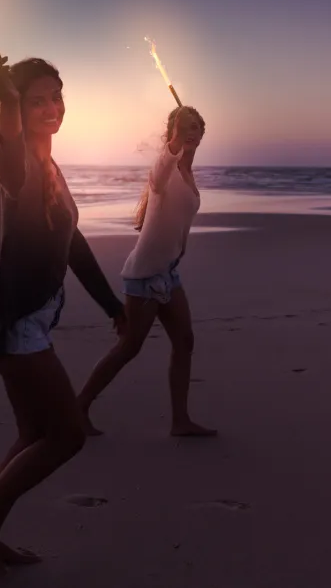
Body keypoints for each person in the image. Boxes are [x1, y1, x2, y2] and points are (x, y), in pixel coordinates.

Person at [0, 51, 127, 571]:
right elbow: (6, 148)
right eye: (37, 101)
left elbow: (72, 245)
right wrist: (6, 102)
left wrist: (111, 304)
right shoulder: (22, 163)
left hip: (14, 320)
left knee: (34, 434)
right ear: (18, 109)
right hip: (13, 324)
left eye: (56, 97)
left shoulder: (49, 164)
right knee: (68, 435)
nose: (52, 107)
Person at [76, 105, 217, 438]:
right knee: (129, 348)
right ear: (172, 134)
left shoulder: (188, 172)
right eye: (185, 128)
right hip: (144, 275)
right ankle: (78, 407)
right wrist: (174, 142)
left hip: (168, 273)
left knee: (185, 341)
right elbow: (162, 167)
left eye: (197, 127)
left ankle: (180, 421)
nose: (192, 133)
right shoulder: (164, 171)